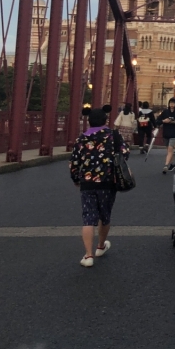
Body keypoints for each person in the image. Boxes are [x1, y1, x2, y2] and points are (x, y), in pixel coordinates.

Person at [69, 107, 128, 267]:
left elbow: (74, 162)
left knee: (88, 217)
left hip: (87, 183)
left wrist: (76, 178)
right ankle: (100, 246)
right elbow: (125, 153)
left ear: (89, 121)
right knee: (105, 215)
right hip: (108, 182)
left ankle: (88, 256)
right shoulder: (113, 135)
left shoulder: (81, 139)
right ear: (105, 120)